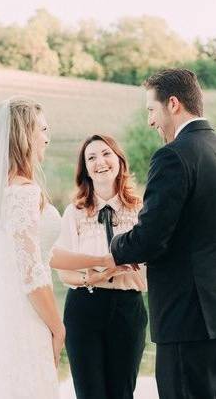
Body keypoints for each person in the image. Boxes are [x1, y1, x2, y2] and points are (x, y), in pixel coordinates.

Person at [0, 96, 107, 398]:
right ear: (24, 134)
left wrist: (99, 259)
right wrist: (58, 327)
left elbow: (40, 253)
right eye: (42, 129)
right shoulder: (24, 193)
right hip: (26, 318)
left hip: (3, 315)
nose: (47, 138)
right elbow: (31, 272)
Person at [109, 69, 216, 399]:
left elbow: (150, 238)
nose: (150, 121)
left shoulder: (172, 156)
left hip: (186, 317)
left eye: (151, 110)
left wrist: (118, 246)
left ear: (172, 104)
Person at [50, 134, 148, 399]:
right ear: (85, 170)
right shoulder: (74, 213)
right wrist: (94, 276)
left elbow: (154, 267)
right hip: (83, 308)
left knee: (122, 393)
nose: (100, 162)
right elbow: (61, 269)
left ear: (119, 161)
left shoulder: (142, 210)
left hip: (128, 310)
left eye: (106, 154)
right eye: (91, 157)